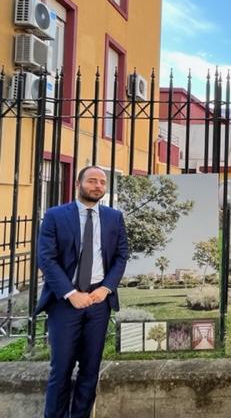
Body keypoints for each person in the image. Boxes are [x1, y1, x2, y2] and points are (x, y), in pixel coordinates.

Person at [36, 166, 129, 418]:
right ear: (79, 184)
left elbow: (121, 256)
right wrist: (70, 293)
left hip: (98, 302)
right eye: (92, 180)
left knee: (90, 370)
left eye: (102, 182)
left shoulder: (114, 217)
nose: (97, 185)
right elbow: (46, 258)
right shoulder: (56, 215)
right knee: (61, 369)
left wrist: (106, 288)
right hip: (66, 303)